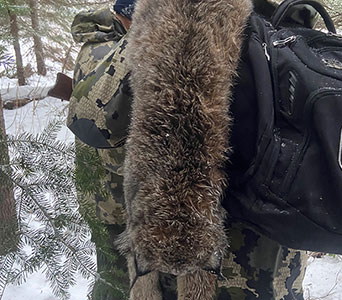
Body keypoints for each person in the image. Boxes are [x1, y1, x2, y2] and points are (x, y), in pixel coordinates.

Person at [65, 0, 318, 299]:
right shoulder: (107, 41)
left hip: (256, 274)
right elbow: (91, 121)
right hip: (137, 270)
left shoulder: (281, 38)